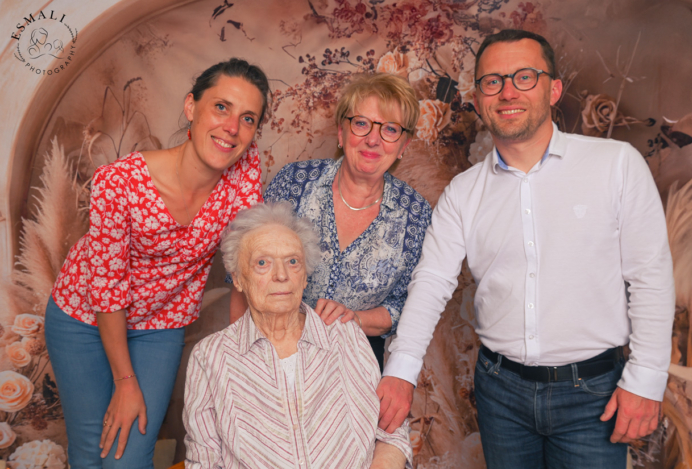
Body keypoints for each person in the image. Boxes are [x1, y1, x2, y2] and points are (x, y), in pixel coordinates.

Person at [377, 29, 675, 468]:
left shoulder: (616, 165)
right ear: (478, 99)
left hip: (594, 394)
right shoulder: (463, 193)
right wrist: (400, 372)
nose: (507, 91)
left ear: (553, 89)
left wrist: (647, 380)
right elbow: (432, 283)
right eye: (493, 81)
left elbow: (649, 276)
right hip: (500, 394)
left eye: (524, 77)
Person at [45, 58, 269, 468]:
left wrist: (243, 359)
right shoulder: (118, 183)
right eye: (221, 107)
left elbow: (244, 269)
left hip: (160, 325)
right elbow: (107, 290)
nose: (232, 128)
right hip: (85, 318)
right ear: (191, 107)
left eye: (248, 118)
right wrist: (125, 382)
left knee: (127, 461)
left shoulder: (245, 171)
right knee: (92, 448)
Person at [184, 202, 413, 468]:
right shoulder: (210, 356)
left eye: (293, 262)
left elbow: (392, 432)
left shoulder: (343, 333)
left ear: (304, 276)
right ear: (238, 279)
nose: (281, 275)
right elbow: (203, 461)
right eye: (262, 263)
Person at [229, 73, 432, 372]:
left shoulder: (416, 212)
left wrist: (355, 318)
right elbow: (244, 269)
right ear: (341, 132)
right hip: (271, 348)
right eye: (361, 123)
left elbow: (409, 306)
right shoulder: (294, 183)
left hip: (352, 358)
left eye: (390, 129)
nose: (373, 139)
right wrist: (240, 353)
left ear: (403, 146)